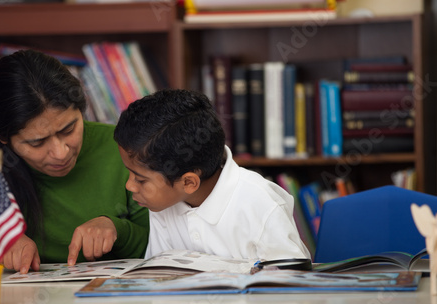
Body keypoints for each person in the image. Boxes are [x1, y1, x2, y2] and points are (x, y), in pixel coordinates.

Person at [0, 50, 149, 274]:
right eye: (37, 142)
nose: (60, 152)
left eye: (69, 129)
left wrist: (117, 229)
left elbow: (163, 249)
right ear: (3, 137)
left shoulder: (121, 146)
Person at [114, 89, 310, 261]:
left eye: (140, 179)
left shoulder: (260, 204)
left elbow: (291, 284)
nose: (129, 186)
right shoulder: (163, 202)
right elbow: (161, 277)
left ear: (189, 182)